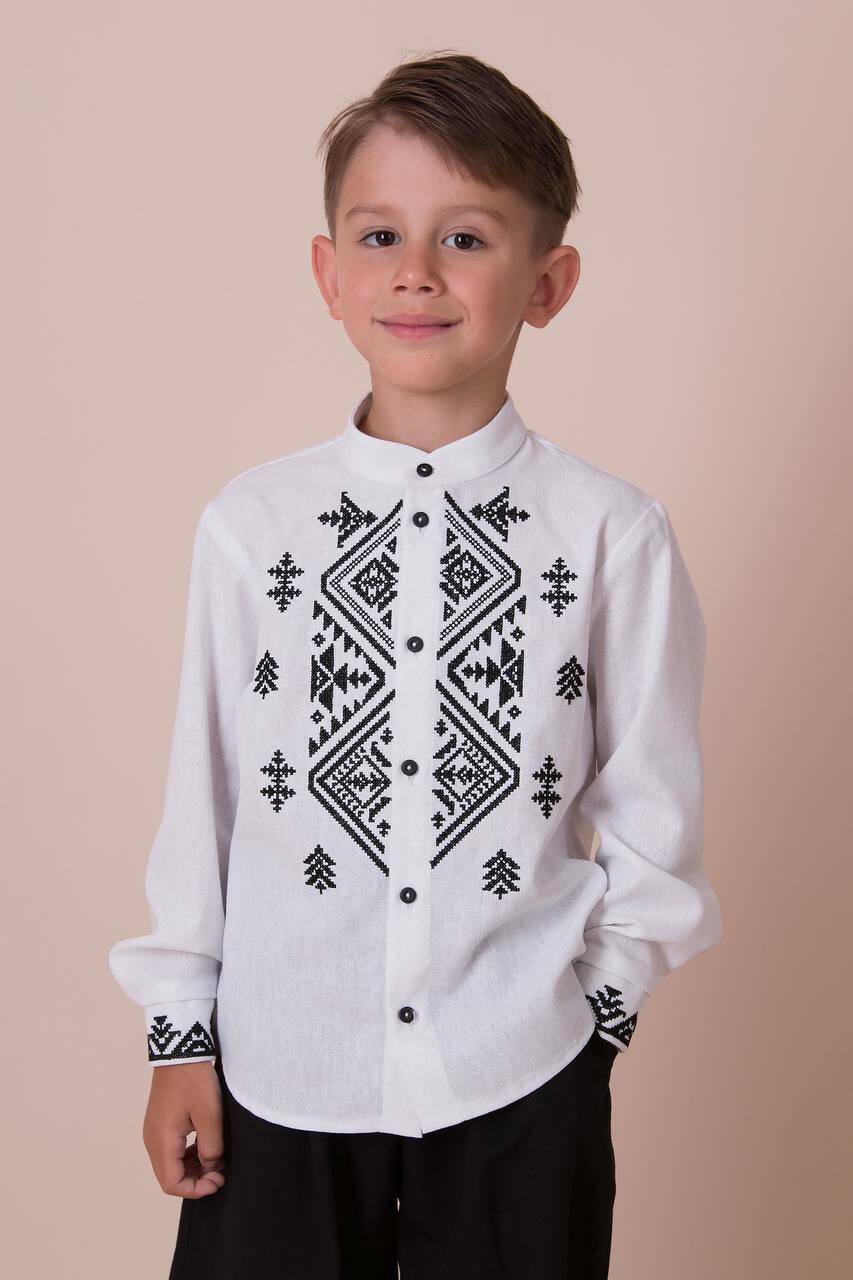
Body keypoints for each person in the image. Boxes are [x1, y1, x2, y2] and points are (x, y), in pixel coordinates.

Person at [108, 49, 724, 1279]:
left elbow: (653, 810)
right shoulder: (254, 526)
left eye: (467, 238)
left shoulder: (610, 535)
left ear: (547, 283)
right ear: (328, 273)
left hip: (519, 1076)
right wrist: (181, 1033)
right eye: (380, 234)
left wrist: (592, 1023)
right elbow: (204, 794)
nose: (416, 273)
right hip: (280, 1066)